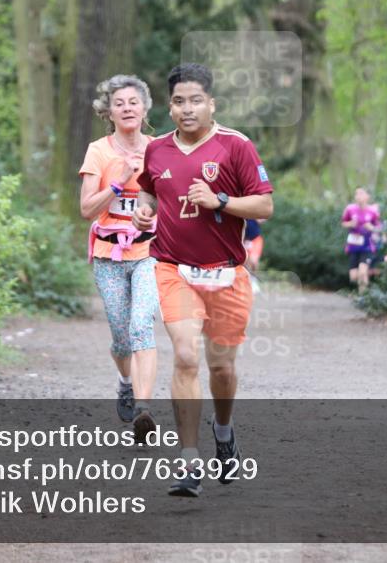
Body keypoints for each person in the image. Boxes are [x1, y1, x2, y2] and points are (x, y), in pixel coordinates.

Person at [133, 63, 274, 497]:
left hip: (227, 273)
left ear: (211, 104)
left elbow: (264, 208)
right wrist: (144, 210)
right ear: (170, 106)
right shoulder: (156, 149)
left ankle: (224, 430)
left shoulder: (236, 147)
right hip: (173, 268)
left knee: (221, 368)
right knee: (185, 357)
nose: (187, 108)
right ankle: (188, 460)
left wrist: (222, 200)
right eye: (179, 101)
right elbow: (149, 190)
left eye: (196, 100)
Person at [79, 75, 159, 444]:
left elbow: (172, 203)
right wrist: (118, 182)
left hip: (149, 252)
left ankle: (144, 409)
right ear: (108, 112)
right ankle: (126, 383)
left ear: (144, 109)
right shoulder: (99, 151)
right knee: (121, 337)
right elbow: (85, 209)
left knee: (142, 323)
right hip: (109, 255)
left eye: (133, 102)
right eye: (119, 103)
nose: (127, 108)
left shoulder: (161, 149)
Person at [341, 187, 382, 293]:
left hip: (367, 246)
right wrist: (350, 224)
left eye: (361, 193)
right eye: (356, 194)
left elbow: (379, 228)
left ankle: (363, 296)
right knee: (354, 276)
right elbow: (343, 223)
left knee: (363, 272)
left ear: (367, 196)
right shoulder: (350, 209)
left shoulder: (373, 211)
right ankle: (375, 272)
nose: (358, 196)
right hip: (353, 246)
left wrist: (371, 228)